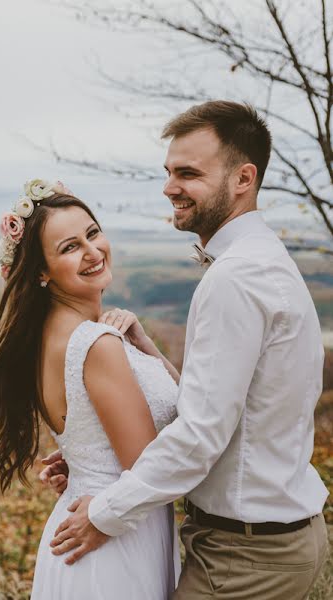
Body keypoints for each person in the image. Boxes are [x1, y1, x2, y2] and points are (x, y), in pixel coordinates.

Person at [49, 100, 329, 600]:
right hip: (259, 543)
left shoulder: (235, 279)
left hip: (246, 558)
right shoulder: (258, 259)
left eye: (188, 173)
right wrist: (94, 449)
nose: (169, 187)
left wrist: (105, 511)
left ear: (243, 178)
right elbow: (232, 411)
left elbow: (202, 436)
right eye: (168, 171)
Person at [0, 180, 182, 598]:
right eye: (70, 247)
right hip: (115, 542)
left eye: (92, 233)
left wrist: (144, 344)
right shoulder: (95, 345)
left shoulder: (50, 337)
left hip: (88, 527)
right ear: (41, 271)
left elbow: (95, 436)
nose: (93, 252)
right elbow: (154, 466)